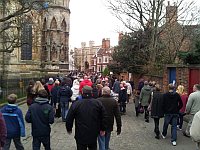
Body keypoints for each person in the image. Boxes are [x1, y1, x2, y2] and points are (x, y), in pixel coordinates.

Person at [66, 86, 107, 150]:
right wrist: (103, 128)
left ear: (82, 92)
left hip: (80, 133)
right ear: (92, 93)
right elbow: (103, 117)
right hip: (93, 132)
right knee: (93, 147)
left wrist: (69, 128)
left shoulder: (76, 104)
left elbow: (69, 117)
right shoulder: (97, 103)